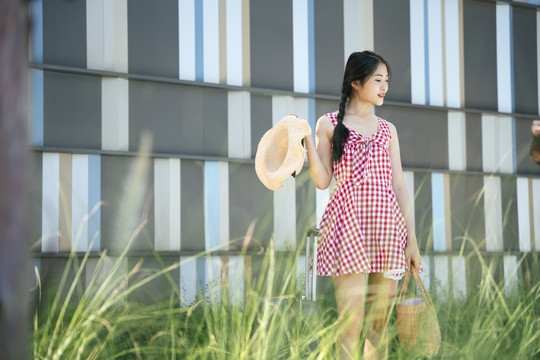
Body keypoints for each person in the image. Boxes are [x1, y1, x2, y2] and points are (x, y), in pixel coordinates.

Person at [302, 51, 422, 360]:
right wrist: (306, 144)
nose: (384, 87)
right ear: (356, 82)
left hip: (387, 230)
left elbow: (399, 185)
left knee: (378, 327)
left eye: (387, 81)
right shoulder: (328, 123)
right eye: (377, 80)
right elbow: (322, 180)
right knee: (351, 325)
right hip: (347, 227)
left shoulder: (388, 129)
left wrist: (412, 240)